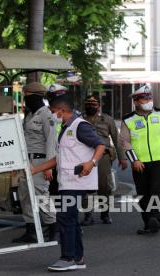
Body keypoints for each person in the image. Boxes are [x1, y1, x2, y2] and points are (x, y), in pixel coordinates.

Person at [31, 94, 105, 271]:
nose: (52, 116)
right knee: (70, 219)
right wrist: (35, 169)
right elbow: (59, 158)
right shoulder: (65, 128)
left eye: (53, 112)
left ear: (62, 111)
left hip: (77, 182)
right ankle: (78, 258)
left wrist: (91, 163)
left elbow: (100, 145)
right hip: (68, 182)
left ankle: (68, 258)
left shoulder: (80, 126)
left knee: (65, 219)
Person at [120, 85, 160, 235]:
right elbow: (125, 142)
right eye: (145, 98)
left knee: (157, 189)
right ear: (136, 102)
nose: (148, 100)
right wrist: (134, 160)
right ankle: (148, 223)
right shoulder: (128, 119)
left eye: (150, 97)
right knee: (143, 193)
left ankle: (156, 217)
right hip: (140, 163)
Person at [13, 82, 57, 243]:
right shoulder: (30, 115)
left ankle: (53, 226)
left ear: (37, 96)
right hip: (27, 161)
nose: (25, 99)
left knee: (41, 195)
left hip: (40, 161)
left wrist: (49, 167)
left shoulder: (47, 115)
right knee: (25, 195)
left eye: (27, 96)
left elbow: (51, 142)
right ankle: (31, 229)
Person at [81, 95, 127, 225]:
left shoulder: (107, 119)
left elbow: (117, 139)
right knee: (86, 186)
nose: (91, 106)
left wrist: (122, 158)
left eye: (94, 104)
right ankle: (88, 215)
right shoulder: (79, 120)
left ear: (99, 106)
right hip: (85, 157)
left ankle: (105, 213)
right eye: (88, 104)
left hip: (103, 158)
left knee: (104, 186)